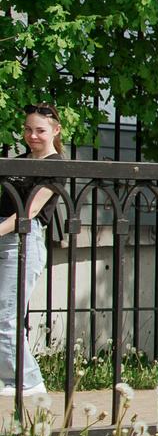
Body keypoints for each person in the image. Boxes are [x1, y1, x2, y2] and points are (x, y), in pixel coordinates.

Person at [0, 105, 68, 399]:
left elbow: (29, 213)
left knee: (5, 316)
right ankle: (11, 379)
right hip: (4, 236)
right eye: (28, 129)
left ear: (56, 130)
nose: (32, 136)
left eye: (40, 130)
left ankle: (30, 382)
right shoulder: (20, 161)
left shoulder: (56, 165)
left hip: (22, 242)